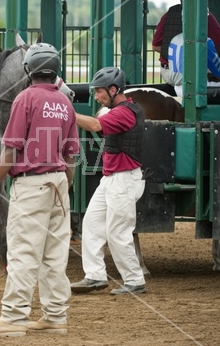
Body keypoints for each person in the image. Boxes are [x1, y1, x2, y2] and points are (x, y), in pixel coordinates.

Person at [0, 43, 79, 337]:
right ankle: (55, 316)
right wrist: (63, 187)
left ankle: (13, 318)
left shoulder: (25, 98)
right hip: (59, 182)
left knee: (22, 252)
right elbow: (72, 154)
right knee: (54, 255)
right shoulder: (65, 102)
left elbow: (10, 150)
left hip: (31, 184)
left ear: (28, 70)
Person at [70, 67, 147, 296]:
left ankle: (135, 280)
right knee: (91, 225)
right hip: (111, 179)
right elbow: (97, 120)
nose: (96, 97)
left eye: (99, 92)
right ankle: (94, 276)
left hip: (123, 180)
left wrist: (66, 112)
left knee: (117, 232)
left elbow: (94, 125)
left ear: (114, 90)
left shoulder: (125, 112)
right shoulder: (114, 110)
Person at [152, 0, 220, 87]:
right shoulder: (205, 16)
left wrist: (177, 57)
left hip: (167, 73)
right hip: (190, 75)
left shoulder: (168, 14)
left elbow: (155, 46)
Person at [164, 33, 220, 97]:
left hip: (178, 89)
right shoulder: (204, 41)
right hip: (198, 90)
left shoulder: (175, 39)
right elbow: (219, 71)